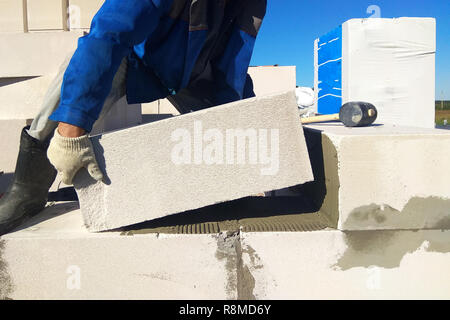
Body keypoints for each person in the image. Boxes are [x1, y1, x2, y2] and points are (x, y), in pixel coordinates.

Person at [0, 0, 267, 235]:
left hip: (190, 75)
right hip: (137, 58)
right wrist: (72, 126)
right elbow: (110, 32)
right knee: (71, 82)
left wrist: (238, 149)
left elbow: (233, 67)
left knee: (232, 116)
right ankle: (27, 191)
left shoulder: (250, 4)